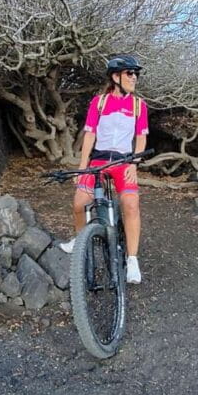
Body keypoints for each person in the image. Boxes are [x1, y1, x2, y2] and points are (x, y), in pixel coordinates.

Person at [60, 55, 148, 284]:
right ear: (115, 76)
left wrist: (134, 164)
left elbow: (141, 138)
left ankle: (132, 259)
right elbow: (90, 133)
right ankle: (80, 242)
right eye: (130, 73)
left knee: (130, 203)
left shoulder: (139, 105)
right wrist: (82, 167)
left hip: (123, 162)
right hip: (98, 161)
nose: (134, 77)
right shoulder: (99, 102)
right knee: (80, 202)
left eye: (135, 74)